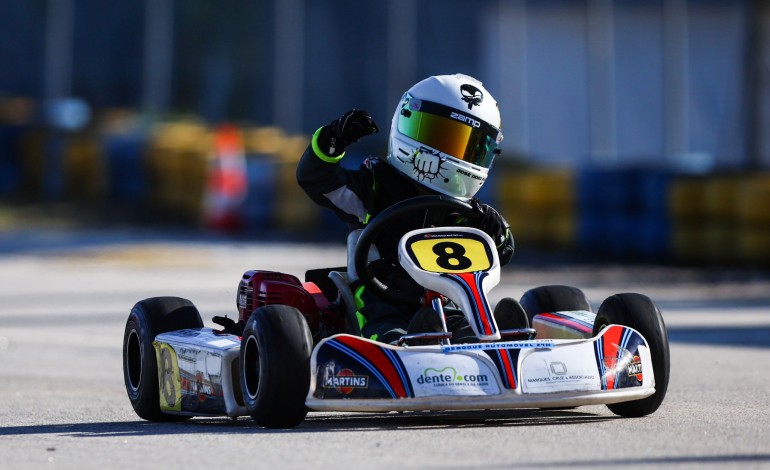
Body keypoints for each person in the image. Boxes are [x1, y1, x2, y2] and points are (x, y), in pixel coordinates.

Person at [297, 73, 515, 345]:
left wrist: (498, 230)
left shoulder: (466, 211)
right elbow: (316, 180)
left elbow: (502, 252)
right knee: (389, 333)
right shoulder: (373, 189)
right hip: (379, 297)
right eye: (439, 136)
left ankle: (491, 339)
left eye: (464, 145)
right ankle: (411, 342)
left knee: (464, 329)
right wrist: (332, 140)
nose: (448, 152)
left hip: (444, 300)